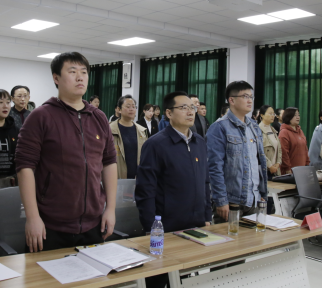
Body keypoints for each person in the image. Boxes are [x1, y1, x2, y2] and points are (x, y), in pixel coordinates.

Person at [16, 52, 117, 252]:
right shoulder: (41, 116)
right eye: (72, 72)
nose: (80, 77)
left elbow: (109, 163)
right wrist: (33, 217)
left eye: (84, 72)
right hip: (50, 226)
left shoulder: (98, 117)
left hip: (93, 224)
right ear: (56, 78)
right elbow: (24, 167)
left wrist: (111, 209)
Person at [136, 90, 212, 231]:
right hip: (167, 226)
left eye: (192, 108)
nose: (190, 112)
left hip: (198, 223)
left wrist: (207, 216)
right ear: (169, 113)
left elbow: (205, 182)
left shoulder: (199, 142)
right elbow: (145, 190)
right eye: (183, 108)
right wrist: (151, 226)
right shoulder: (155, 145)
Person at [206, 81, 267, 223]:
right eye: (245, 96)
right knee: (229, 236)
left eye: (251, 96)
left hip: (254, 199)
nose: (250, 100)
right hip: (231, 201)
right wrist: (221, 200)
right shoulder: (219, 128)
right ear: (231, 100)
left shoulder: (254, 127)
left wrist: (262, 194)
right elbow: (214, 167)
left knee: (255, 237)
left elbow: (258, 163)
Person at [111, 95, 147, 179]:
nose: (131, 109)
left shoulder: (142, 131)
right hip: (116, 178)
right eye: (128, 106)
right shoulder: (110, 130)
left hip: (137, 179)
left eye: (133, 107)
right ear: (119, 109)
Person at [278, 107, 309, 174]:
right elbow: (284, 153)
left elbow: (305, 148)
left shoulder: (300, 131)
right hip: (290, 170)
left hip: (302, 168)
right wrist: (287, 168)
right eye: (295, 115)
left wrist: (307, 163)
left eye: (298, 115)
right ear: (288, 116)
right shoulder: (284, 132)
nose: (298, 117)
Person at [258, 105, 282, 178]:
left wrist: (278, 163)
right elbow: (259, 151)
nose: (272, 116)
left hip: (276, 170)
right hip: (264, 170)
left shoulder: (273, 130)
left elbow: (279, 149)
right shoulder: (258, 130)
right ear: (262, 115)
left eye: (273, 114)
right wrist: (270, 166)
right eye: (270, 113)